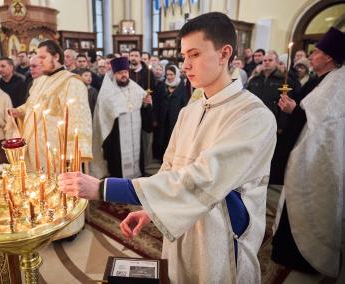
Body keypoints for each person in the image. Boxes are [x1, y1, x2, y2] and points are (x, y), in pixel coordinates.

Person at [61, 12, 277, 283]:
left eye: (195, 54)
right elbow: (171, 166)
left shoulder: (252, 115)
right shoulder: (191, 110)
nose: (185, 65)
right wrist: (152, 210)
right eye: (184, 56)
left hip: (220, 237)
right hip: (181, 223)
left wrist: (105, 187)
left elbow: (205, 177)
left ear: (224, 54)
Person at [270, 27, 345, 279]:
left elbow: (326, 123)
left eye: (319, 52)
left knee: (307, 202)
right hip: (301, 153)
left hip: (317, 159)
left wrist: (296, 110)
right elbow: (309, 113)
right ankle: (286, 251)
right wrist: (294, 110)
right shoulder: (317, 80)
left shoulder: (338, 82)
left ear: (331, 58)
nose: (312, 55)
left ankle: (305, 255)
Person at [9, 40, 92, 172]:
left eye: (43, 57)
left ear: (56, 57)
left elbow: (79, 120)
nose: (39, 61)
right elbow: (31, 104)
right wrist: (18, 111)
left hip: (56, 151)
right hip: (32, 146)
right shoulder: (39, 80)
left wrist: (73, 156)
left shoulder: (72, 82)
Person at [90, 56, 152, 179]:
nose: (123, 75)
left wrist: (146, 103)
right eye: (120, 73)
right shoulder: (107, 91)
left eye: (125, 72)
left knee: (137, 158)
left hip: (135, 132)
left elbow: (143, 103)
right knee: (117, 164)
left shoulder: (134, 87)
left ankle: (137, 177)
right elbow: (104, 114)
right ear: (114, 74)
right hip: (116, 135)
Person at [153, 65, 188, 159]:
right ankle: (161, 157)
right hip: (162, 117)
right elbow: (156, 102)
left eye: (171, 74)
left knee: (172, 138)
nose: (169, 77)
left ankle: (171, 158)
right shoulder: (162, 85)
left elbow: (184, 103)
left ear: (176, 74)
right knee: (162, 137)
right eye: (167, 74)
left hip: (174, 117)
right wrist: (155, 118)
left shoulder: (181, 86)